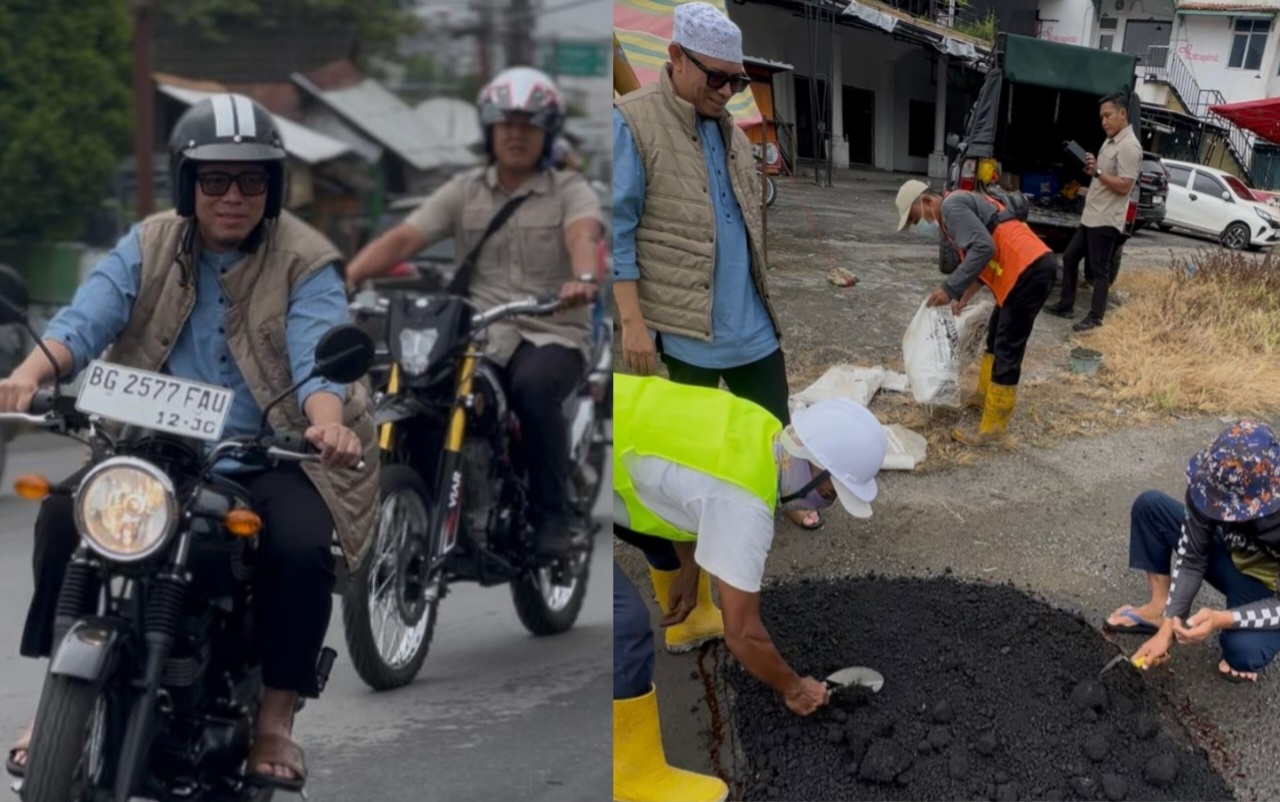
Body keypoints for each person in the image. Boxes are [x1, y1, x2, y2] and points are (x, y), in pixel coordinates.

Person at [2, 93, 376, 791]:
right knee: (62, 518)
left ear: (273, 187)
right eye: (214, 179)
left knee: (299, 549)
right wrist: (25, 376)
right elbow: (86, 321)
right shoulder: (148, 244)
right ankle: (57, 698)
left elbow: (317, 355)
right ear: (187, 183)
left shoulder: (306, 259)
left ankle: (275, 718)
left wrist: (325, 421)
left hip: (267, 453)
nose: (232, 196)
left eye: (251, 180)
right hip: (151, 448)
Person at [344, 66, 603, 559]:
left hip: (552, 329)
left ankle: (552, 515)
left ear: (546, 132)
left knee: (531, 389)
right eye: (505, 124)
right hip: (483, 332)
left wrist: (584, 279)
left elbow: (583, 234)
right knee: (423, 387)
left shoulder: (569, 189)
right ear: (489, 130)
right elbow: (406, 237)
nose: (515, 134)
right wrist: (348, 276)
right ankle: (425, 493)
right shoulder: (464, 190)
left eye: (527, 125)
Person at [612, 372, 888, 801]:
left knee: (658, 530)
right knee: (624, 628)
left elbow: (685, 487)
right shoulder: (745, 506)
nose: (824, 506)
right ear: (813, 466)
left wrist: (689, 571)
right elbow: (744, 636)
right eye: (830, 494)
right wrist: (794, 687)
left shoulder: (761, 427)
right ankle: (629, 777)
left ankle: (693, 620)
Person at [614, 4, 822, 540]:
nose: (727, 91)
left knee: (775, 418)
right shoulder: (633, 121)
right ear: (676, 57)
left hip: (748, 315)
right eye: (717, 78)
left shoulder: (731, 132)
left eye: (736, 80)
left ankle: (789, 492)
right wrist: (633, 323)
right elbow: (614, 230)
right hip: (689, 327)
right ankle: (709, 518)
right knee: (698, 435)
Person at [1110, 421, 1280, 684]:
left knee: (1242, 653)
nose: (1219, 512)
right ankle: (1158, 610)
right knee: (1151, 508)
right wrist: (1169, 627)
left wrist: (1222, 619)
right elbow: (1191, 559)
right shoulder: (1209, 482)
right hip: (1229, 557)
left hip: (1266, 589)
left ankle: (1244, 637)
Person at [896, 180, 1056, 446]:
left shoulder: (950, 208)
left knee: (1007, 346)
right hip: (1023, 271)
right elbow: (981, 258)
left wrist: (950, 288)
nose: (919, 225)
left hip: (1028, 268)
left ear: (925, 202)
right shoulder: (953, 210)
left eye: (915, 218)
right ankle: (984, 397)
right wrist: (962, 296)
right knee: (995, 335)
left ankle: (994, 428)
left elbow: (984, 248)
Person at [1043, 93, 1141, 332]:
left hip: (1106, 219)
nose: (1104, 122)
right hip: (1092, 215)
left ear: (1122, 114)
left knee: (1099, 271)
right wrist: (1093, 167)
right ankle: (1066, 305)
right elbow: (1104, 173)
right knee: (1069, 258)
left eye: (1108, 116)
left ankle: (1095, 318)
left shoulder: (1129, 146)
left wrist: (1097, 172)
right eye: (1101, 117)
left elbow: (1125, 186)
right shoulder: (1110, 140)